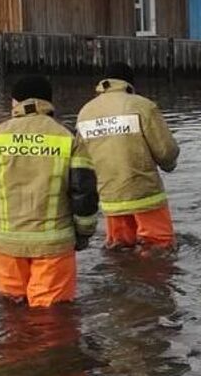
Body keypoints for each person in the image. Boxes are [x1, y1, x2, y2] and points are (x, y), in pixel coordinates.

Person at [0, 74, 99, 308]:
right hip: (54, 246)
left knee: (11, 310)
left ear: (14, 103)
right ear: (49, 102)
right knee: (51, 318)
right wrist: (84, 232)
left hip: (6, 243)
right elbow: (84, 192)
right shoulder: (67, 138)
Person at [76, 61, 180, 248]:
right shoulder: (141, 105)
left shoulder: (85, 112)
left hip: (110, 198)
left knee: (120, 249)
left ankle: (125, 276)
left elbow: (81, 162)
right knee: (160, 248)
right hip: (145, 194)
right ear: (129, 83)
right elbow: (166, 151)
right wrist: (169, 165)